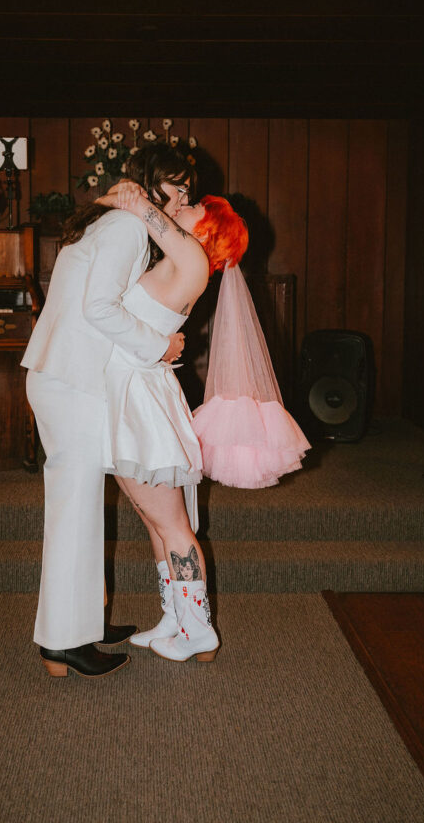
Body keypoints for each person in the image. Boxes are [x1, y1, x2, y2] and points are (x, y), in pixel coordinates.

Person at [99, 186, 309, 662]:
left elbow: (137, 206)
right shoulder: (179, 259)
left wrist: (135, 194)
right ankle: (175, 618)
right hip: (134, 394)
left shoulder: (190, 259)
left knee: (171, 524)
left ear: (206, 230)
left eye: (195, 206)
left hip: (141, 404)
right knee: (155, 519)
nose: (185, 205)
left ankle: (198, 629)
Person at [22, 144, 194, 678]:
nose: (184, 198)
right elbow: (98, 308)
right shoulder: (126, 228)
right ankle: (64, 642)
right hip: (72, 381)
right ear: (151, 184)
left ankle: (83, 623)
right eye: (178, 187)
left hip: (64, 375)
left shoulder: (109, 223)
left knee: (79, 508)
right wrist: (160, 346)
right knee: (74, 513)